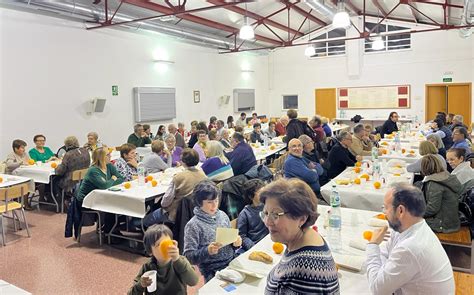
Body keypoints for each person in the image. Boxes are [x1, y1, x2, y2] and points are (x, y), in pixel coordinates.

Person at [366, 183, 454, 294]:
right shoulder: (412, 226)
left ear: (400, 211)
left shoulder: (410, 247)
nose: (384, 213)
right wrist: (383, 270)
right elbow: (386, 252)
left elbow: (376, 289)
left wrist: (373, 245)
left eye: (386, 208)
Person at [260, 178, 339, 294]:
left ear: (302, 218)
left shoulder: (302, 270)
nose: (267, 222)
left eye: (276, 214)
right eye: (266, 213)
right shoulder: (305, 238)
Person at [183, 180, 242, 282]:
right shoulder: (193, 225)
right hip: (212, 270)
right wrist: (207, 251)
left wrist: (235, 242)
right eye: (209, 202)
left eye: (216, 200)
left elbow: (229, 242)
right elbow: (189, 257)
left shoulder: (222, 215)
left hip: (232, 261)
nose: (214, 205)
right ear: (199, 203)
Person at [128, 224, 198, 295]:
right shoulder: (148, 267)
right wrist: (140, 285)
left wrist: (177, 259)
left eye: (167, 242)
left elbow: (193, 281)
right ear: (150, 252)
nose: (165, 247)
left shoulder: (180, 262)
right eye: (158, 245)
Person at [143, 149, 206, 226]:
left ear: (183, 162)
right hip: (197, 210)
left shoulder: (178, 177)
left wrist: (162, 205)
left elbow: (165, 201)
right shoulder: (203, 175)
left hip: (175, 212)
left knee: (145, 221)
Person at [76, 147, 124, 233]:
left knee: (118, 204)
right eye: (108, 155)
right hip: (87, 199)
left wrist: (110, 182)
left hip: (101, 196)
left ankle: (111, 231)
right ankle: (109, 233)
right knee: (112, 207)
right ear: (101, 157)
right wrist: (113, 179)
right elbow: (104, 186)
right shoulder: (93, 170)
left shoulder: (109, 166)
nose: (110, 156)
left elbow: (121, 178)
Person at [420, 154, 462, 233]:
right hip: (452, 220)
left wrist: (415, 213)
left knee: (409, 222)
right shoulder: (445, 175)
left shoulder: (434, 184)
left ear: (424, 168)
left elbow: (432, 209)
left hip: (443, 224)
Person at [238, 179, 268, 251]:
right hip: (255, 246)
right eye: (260, 193)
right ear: (251, 196)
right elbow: (242, 236)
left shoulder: (267, 206)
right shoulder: (245, 213)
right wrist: (253, 248)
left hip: (270, 241)